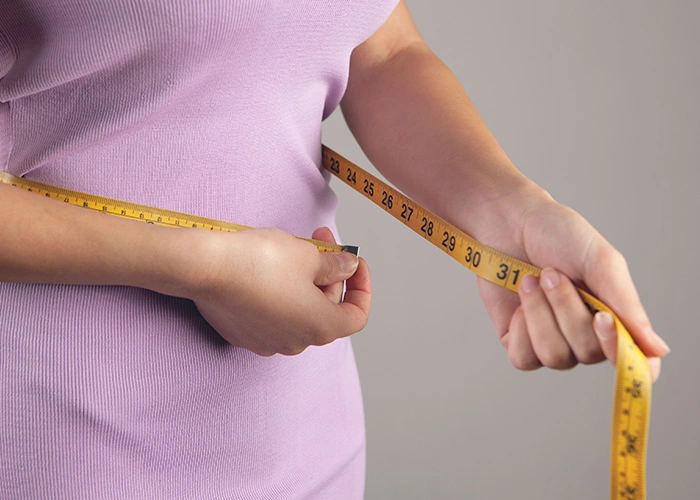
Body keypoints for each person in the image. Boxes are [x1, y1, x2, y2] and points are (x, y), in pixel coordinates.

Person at [0, 1, 669, 498]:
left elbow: (381, 47)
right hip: (66, 437)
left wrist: (509, 210)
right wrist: (206, 265)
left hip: (308, 439)